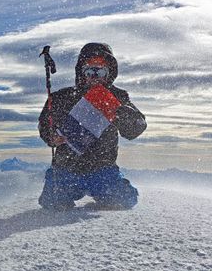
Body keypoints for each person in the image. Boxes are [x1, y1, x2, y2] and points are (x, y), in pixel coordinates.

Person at [38, 42, 147, 210]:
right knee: (53, 203)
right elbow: (45, 124)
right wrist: (50, 136)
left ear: (109, 72)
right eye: (89, 71)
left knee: (124, 200)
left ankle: (107, 190)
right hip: (67, 169)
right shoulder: (62, 98)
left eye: (100, 71)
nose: (94, 76)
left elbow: (135, 128)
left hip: (102, 170)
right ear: (82, 72)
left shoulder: (117, 98)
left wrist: (124, 115)